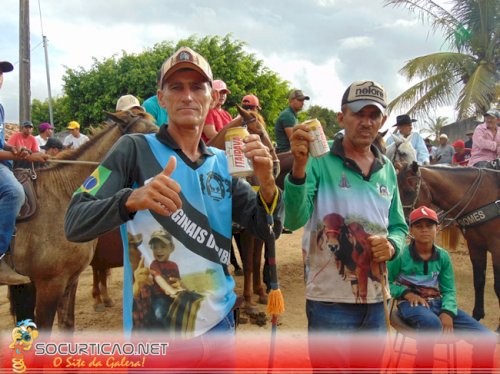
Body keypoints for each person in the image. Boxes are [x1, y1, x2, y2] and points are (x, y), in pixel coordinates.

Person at [65, 46, 282, 344]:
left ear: (212, 99)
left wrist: (268, 184)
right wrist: (131, 199)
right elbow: (74, 223)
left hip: (220, 327)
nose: (188, 96)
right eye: (176, 87)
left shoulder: (222, 161)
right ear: (162, 98)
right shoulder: (133, 149)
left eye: (197, 87)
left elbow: (267, 228)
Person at [283, 80, 408, 369]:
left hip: (377, 301)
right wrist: (299, 168)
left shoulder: (386, 168)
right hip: (328, 301)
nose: (366, 122)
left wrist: (392, 245)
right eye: (358, 114)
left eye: (373, 115)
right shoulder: (319, 159)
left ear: (383, 121)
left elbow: (399, 227)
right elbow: (293, 219)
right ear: (342, 117)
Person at [388, 205, 496, 369]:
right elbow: (385, 283)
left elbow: (449, 290)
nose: (424, 230)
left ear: (437, 228)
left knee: (487, 339)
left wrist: (447, 312)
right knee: (432, 325)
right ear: (411, 230)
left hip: (438, 304)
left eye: (429, 225)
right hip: (410, 305)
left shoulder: (443, 256)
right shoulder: (401, 254)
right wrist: (406, 293)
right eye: (418, 226)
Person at [0, 59, 48, 285]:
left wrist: (15, 149)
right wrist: (24, 155)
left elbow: (1, 144)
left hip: (5, 163)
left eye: (1, 73)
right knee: (15, 193)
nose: (0, 77)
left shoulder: (0, 108)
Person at [274, 89, 310, 153]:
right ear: (291, 100)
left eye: (303, 100)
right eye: (299, 100)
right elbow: (294, 140)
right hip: (286, 153)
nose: (302, 102)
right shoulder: (288, 115)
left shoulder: (292, 115)